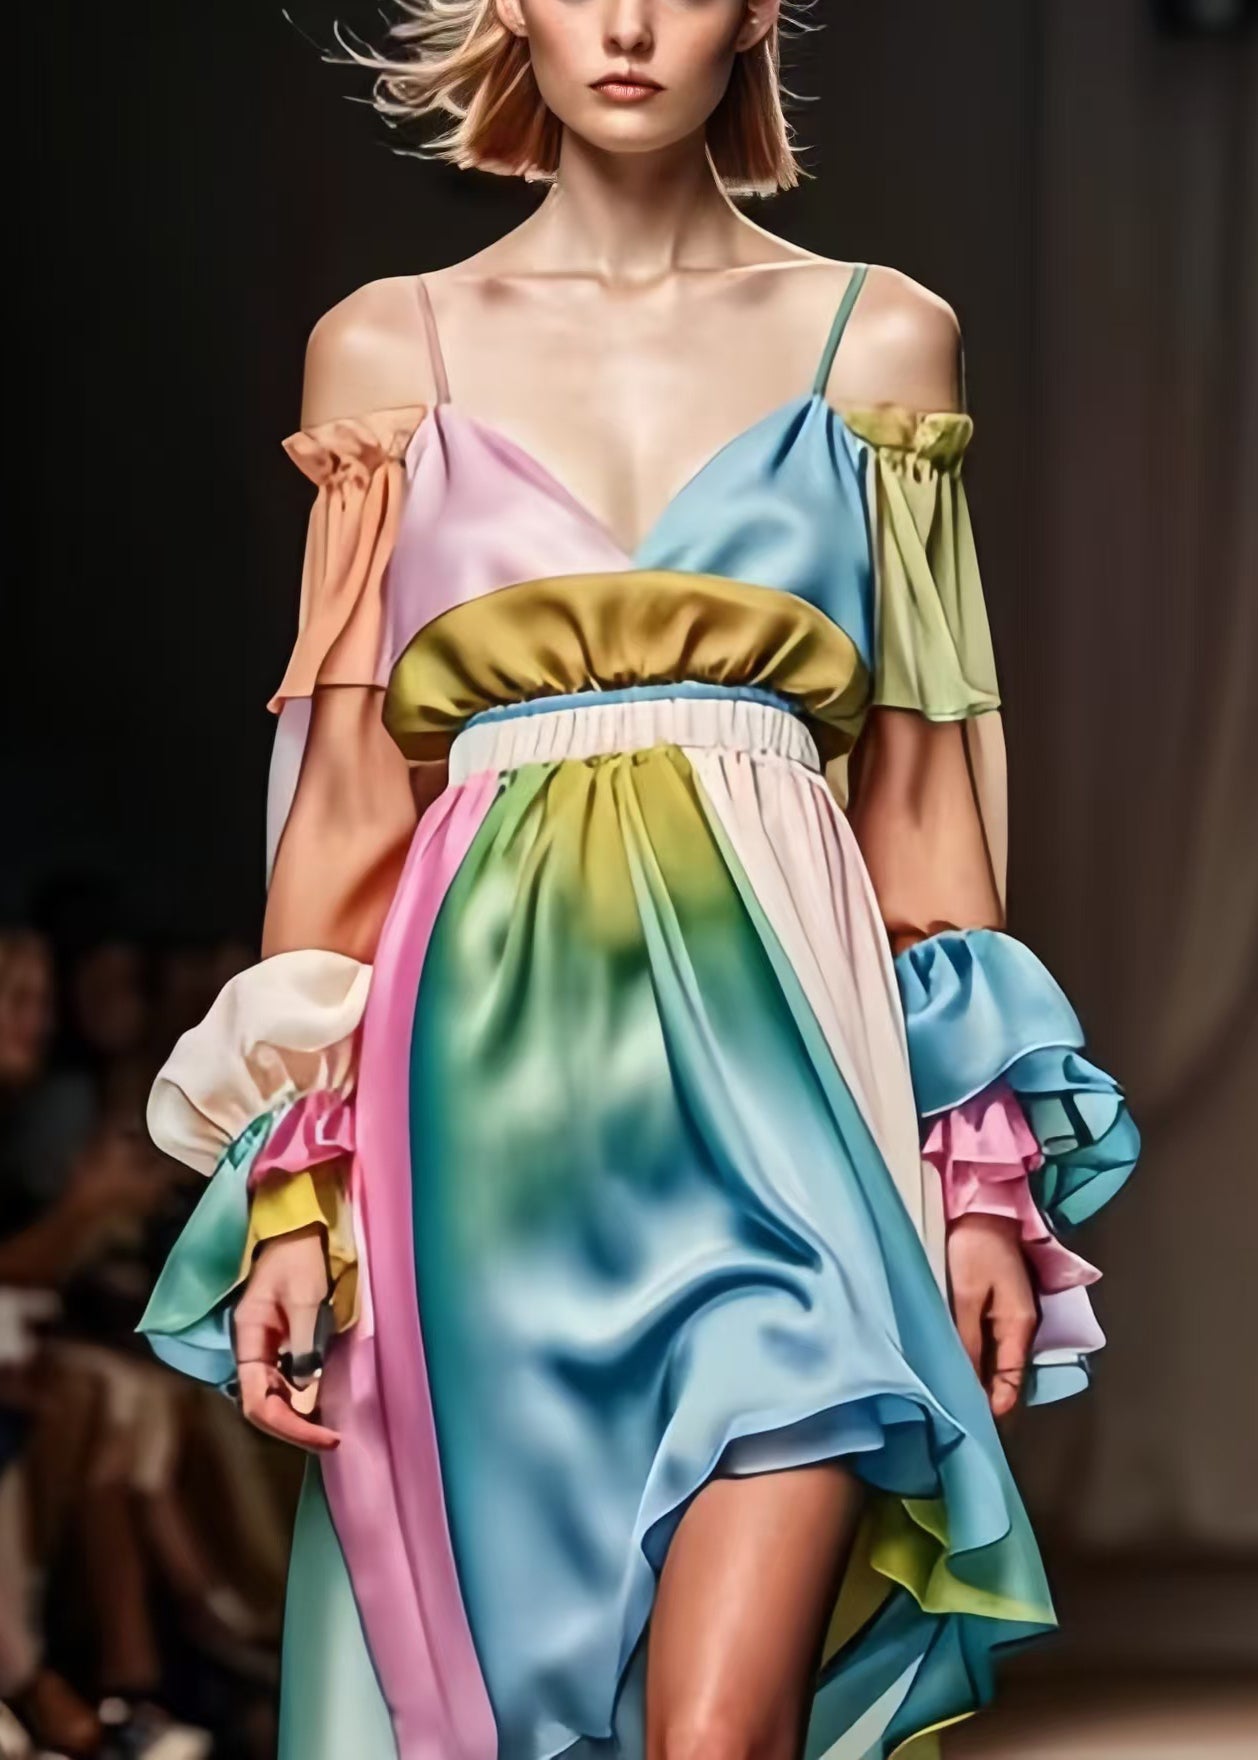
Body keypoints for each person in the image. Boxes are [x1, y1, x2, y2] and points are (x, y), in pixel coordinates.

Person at [138, 6, 1140, 1759]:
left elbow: (920, 793)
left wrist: (976, 1165)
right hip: (479, 1133)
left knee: (719, 1734)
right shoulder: (383, 349)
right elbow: (348, 805)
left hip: (792, 1115)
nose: (621, 24)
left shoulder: (879, 340)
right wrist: (291, 1178)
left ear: (755, 9)